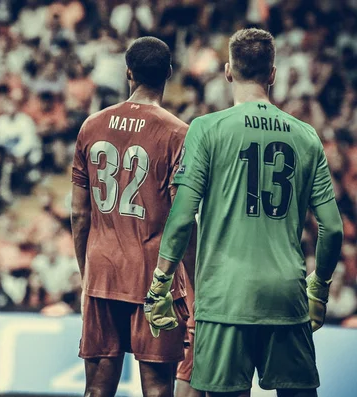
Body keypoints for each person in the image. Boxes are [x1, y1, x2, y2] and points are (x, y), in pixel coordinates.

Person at [144, 28, 344, 397]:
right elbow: (332, 228)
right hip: (287, 298)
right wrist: (319, 289)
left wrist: (161, 282)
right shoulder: (306, 136)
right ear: (272, 74)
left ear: (228, 71)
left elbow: (182, 216)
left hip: (224, 299)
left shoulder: (206, 129)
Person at [71, 36, 193, 397]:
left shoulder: (91, 126)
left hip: (102, 269)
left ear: (128, 72)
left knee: (96, 388)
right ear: (169, 73)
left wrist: (86, 275)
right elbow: (182, 219)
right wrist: (194, 286)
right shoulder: (177, 133)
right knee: (157, 389)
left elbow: (79, 214)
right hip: (153, 276)